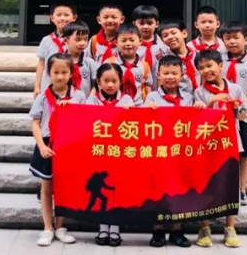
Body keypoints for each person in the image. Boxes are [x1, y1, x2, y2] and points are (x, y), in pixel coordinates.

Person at [29, 52, 85, 247]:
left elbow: (85, 121)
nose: (60, 77)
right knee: (46, 189)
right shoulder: (43, 97)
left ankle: (60, 226)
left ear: (71, 73)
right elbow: (35, 124)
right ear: (49, 73)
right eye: (56, 72)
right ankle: (47, 227)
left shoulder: (79, 96)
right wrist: (41, 146)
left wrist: (73, 108)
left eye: (64, 72)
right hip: (47, 144)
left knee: (64, 188)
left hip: (69, 145)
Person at [193, 50, 247, 249]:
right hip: (208, 144)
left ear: (221, 66)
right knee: (205, 185)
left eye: (209, 66)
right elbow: (197, 119)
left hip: (230, 142)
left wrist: (236, 106)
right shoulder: (199, 92)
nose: (206, 71)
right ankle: (204, 227)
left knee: (229, 184)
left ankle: (230, 228)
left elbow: (243, 117)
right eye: (201, 68)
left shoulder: (235, 89)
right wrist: (211, 101)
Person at [142, 55, 197, 248]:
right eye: (166, 73)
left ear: (182, 75)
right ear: (158, 75)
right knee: (158, 192)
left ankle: (176, 230)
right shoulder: (151, 97)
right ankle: (157, 230)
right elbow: (141, 123)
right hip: (159, 153)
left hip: (181, 154)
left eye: (174, 73)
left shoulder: (189, 98)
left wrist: (200, 108)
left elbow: (196, 123)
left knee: (179, 191)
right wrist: (147, 110)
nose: (170, 77)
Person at [85, 63, 135, 246]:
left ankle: (115, 228)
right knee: (102, 194)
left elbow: (135, 126)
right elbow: (84, 122)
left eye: (114, 81)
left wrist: (131, 113)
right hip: (99, 153)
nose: (110, 85)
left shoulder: (127, 100)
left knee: (117, 192)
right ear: (98, 82)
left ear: (120, 82)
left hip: (120, 154)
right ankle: (102, 228)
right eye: (106, 81)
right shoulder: (92, 101)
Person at [220, 21, 247, 207]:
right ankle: (223, 187)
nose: (232, 42)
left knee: (244, 154)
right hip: (221, 116)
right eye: (227, 38)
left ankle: (242, 189)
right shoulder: (219, 61)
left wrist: (242, 102)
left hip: (243, 116)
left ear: (245, 40)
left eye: (236, 38)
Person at [34, 2, 76, 98]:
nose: (62, 18)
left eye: (66, 15)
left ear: (74, 18)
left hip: (70, 85)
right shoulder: (46, 40)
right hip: (49, 83)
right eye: (59, 15)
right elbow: (41, 64)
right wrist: (37, 86)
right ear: (52, 18)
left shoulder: (76, 41)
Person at [102, 23, 152, 102]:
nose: (128, 44)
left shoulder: (144, 66)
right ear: (116, 42)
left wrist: (150, 102)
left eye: (132, 40)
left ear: (140, 41)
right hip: (116, 105)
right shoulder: (109, 63)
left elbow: (148, 86)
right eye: (123, 40)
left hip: (138, 105)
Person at [153, 20, 200, 94]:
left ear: (184, 33)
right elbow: (161, 87)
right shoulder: (163, 60)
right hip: (177, 99)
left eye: (173, 33)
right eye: (165, 35)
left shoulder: (198, 56)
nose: (170, 37)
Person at [62, 21, 96, 98]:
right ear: (66, 40)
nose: (82, 43)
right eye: (78, 39)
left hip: (85, 103)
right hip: (64, 102)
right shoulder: (59, 62)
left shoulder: (90, 63)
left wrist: (90, 100)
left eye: (85, 39)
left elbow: (95, 86)